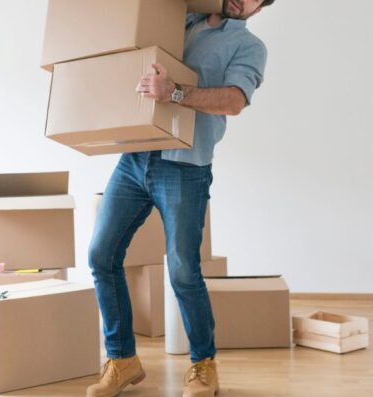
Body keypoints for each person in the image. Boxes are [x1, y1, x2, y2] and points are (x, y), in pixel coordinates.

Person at [86, 0, 274, 396]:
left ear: (260, 8)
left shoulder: (249, 46)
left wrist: (173, 92)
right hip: (135, 157)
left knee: (184, 272)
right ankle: (122, 360)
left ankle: (204, 364)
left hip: (185, 167)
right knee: (101, 255)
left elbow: (233, 101)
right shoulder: (175, 18)